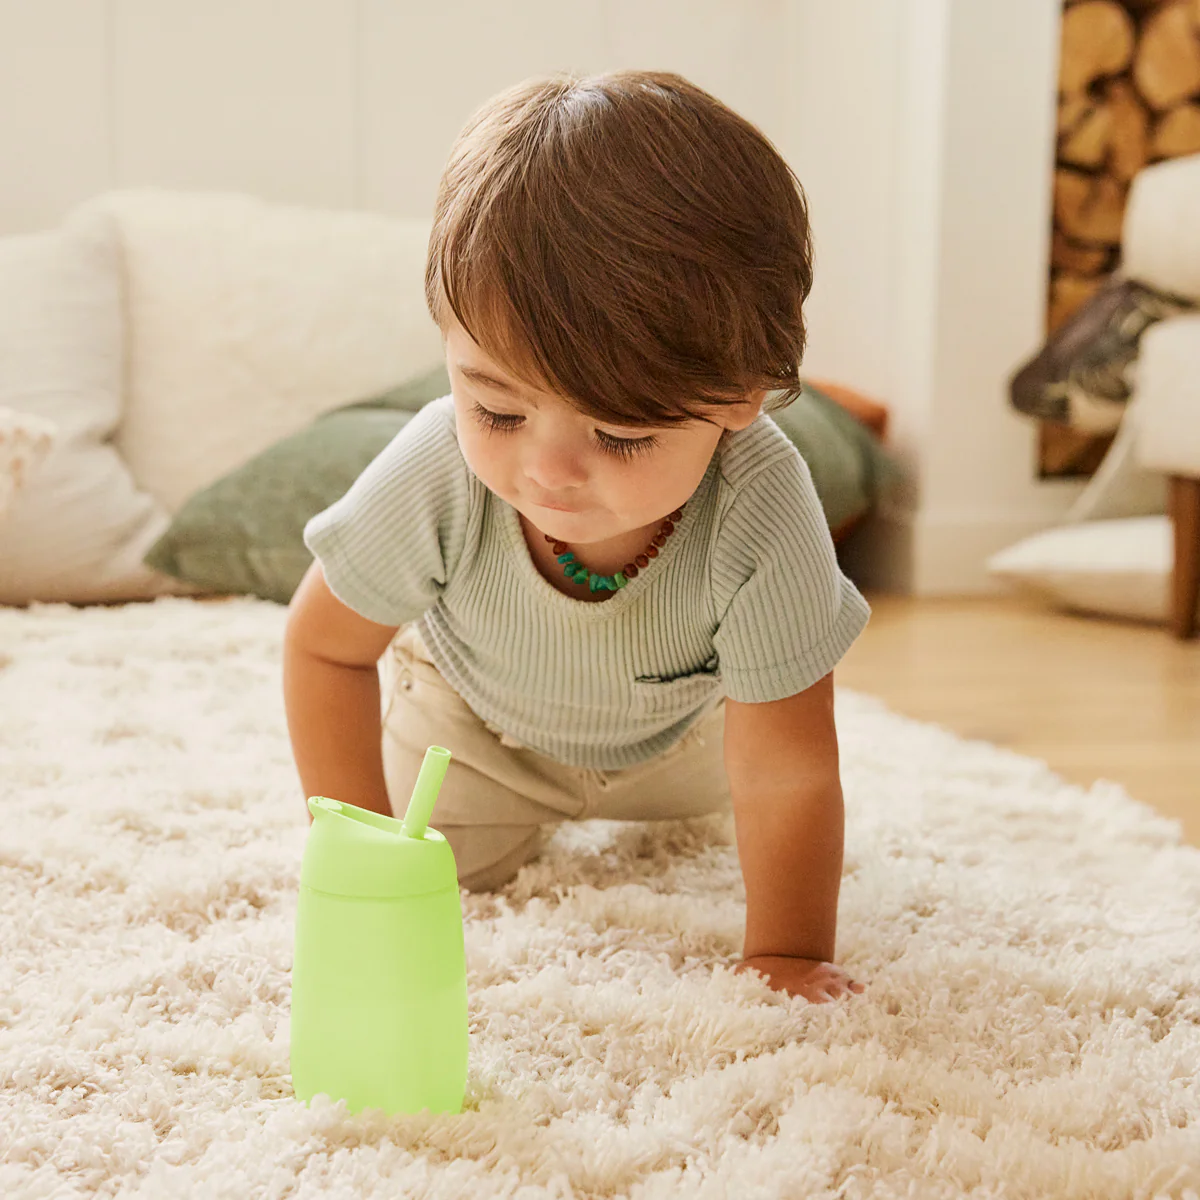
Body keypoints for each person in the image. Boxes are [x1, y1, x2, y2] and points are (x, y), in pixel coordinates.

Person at [283, 69, 870, 1005]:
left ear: (739, 399)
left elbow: (787, 761)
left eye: (621, 433)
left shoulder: (763, 498)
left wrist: (790, 951)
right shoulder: (437, 466)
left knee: (752, 803)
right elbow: (324, 649)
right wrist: (360, 855)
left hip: (683, 748)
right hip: (475, 736)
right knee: (437, 870)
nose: (548, 471)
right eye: (496, 408)